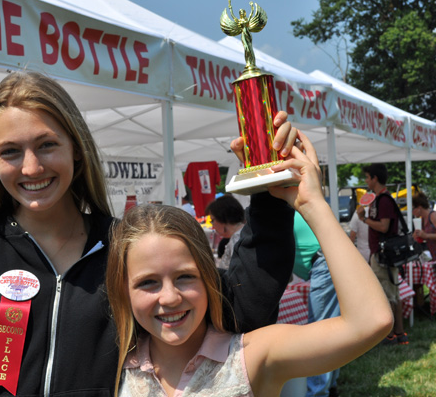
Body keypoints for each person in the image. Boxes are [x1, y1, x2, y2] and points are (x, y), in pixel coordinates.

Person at [0, 71, 300, 396]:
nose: (31, 167)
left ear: (76, 147)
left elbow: (240, 305)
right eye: (10, 152)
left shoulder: (124, 247)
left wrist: (269, 189)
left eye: (46, 145)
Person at [106, 132, 393, 397]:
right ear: (123, 289)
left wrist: (312, 204)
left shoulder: (249, 357)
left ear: (209, 277)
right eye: (147, 282)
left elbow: (370, 322)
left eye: (185, 277)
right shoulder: (111, 364)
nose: (169, 297)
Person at [356, 163, 408, 345]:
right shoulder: (382, 199)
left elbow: (384, 226)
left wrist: (364, 219)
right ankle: (400, 334)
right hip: (385, 254)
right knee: (394, 294)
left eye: (367, 177)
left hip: (382, 254)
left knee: (387, 295)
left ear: (374, 178)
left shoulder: (383, 200)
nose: (366, 181)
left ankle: (390, 335)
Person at [293, 212, 340, 397]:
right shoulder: (292, 211)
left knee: (321, 334)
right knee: (332, 330)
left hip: (324, 265)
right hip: (328, 263)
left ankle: (318, 393)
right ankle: (330, 387)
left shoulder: (281, 213)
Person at [205, 194, 245, 269]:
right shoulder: (241, 234)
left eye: (212, 220)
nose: (213, 226)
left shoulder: (238, 239)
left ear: (222, 217)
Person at [412, 191, 436, 256]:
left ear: (419, 208)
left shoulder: (433, 216)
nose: (412, 212)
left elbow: (427, 235)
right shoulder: (422, 219)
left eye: (413, 209)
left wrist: (426, 235)